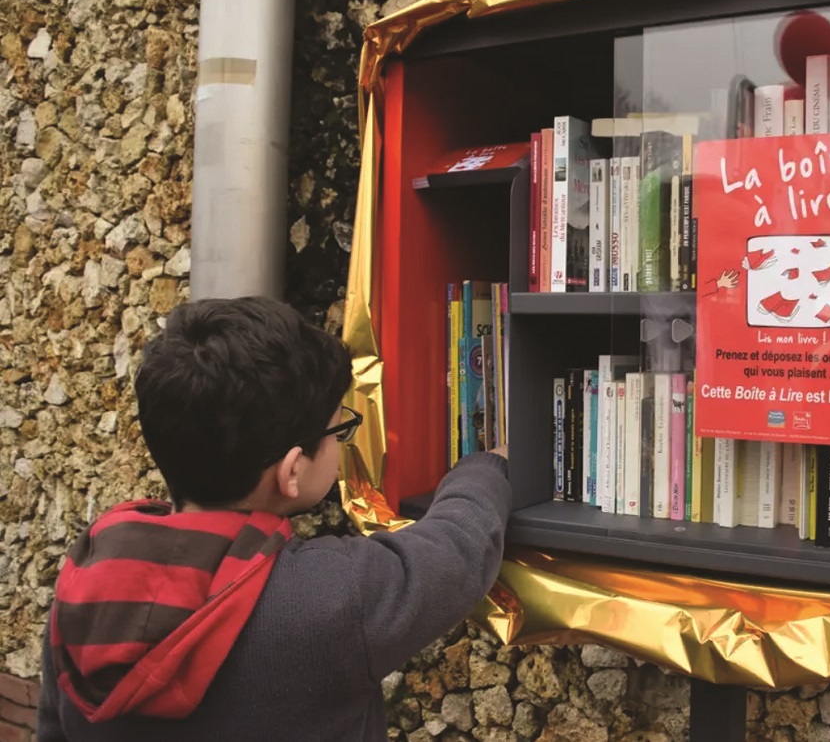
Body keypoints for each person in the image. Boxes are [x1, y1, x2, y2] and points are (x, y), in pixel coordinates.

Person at [37, 296, 511, 741]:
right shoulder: (332, 599)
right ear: (291, 471)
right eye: (338, 429)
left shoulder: (88, 580)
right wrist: (489, 465)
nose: (341, 440)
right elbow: (455, 553)